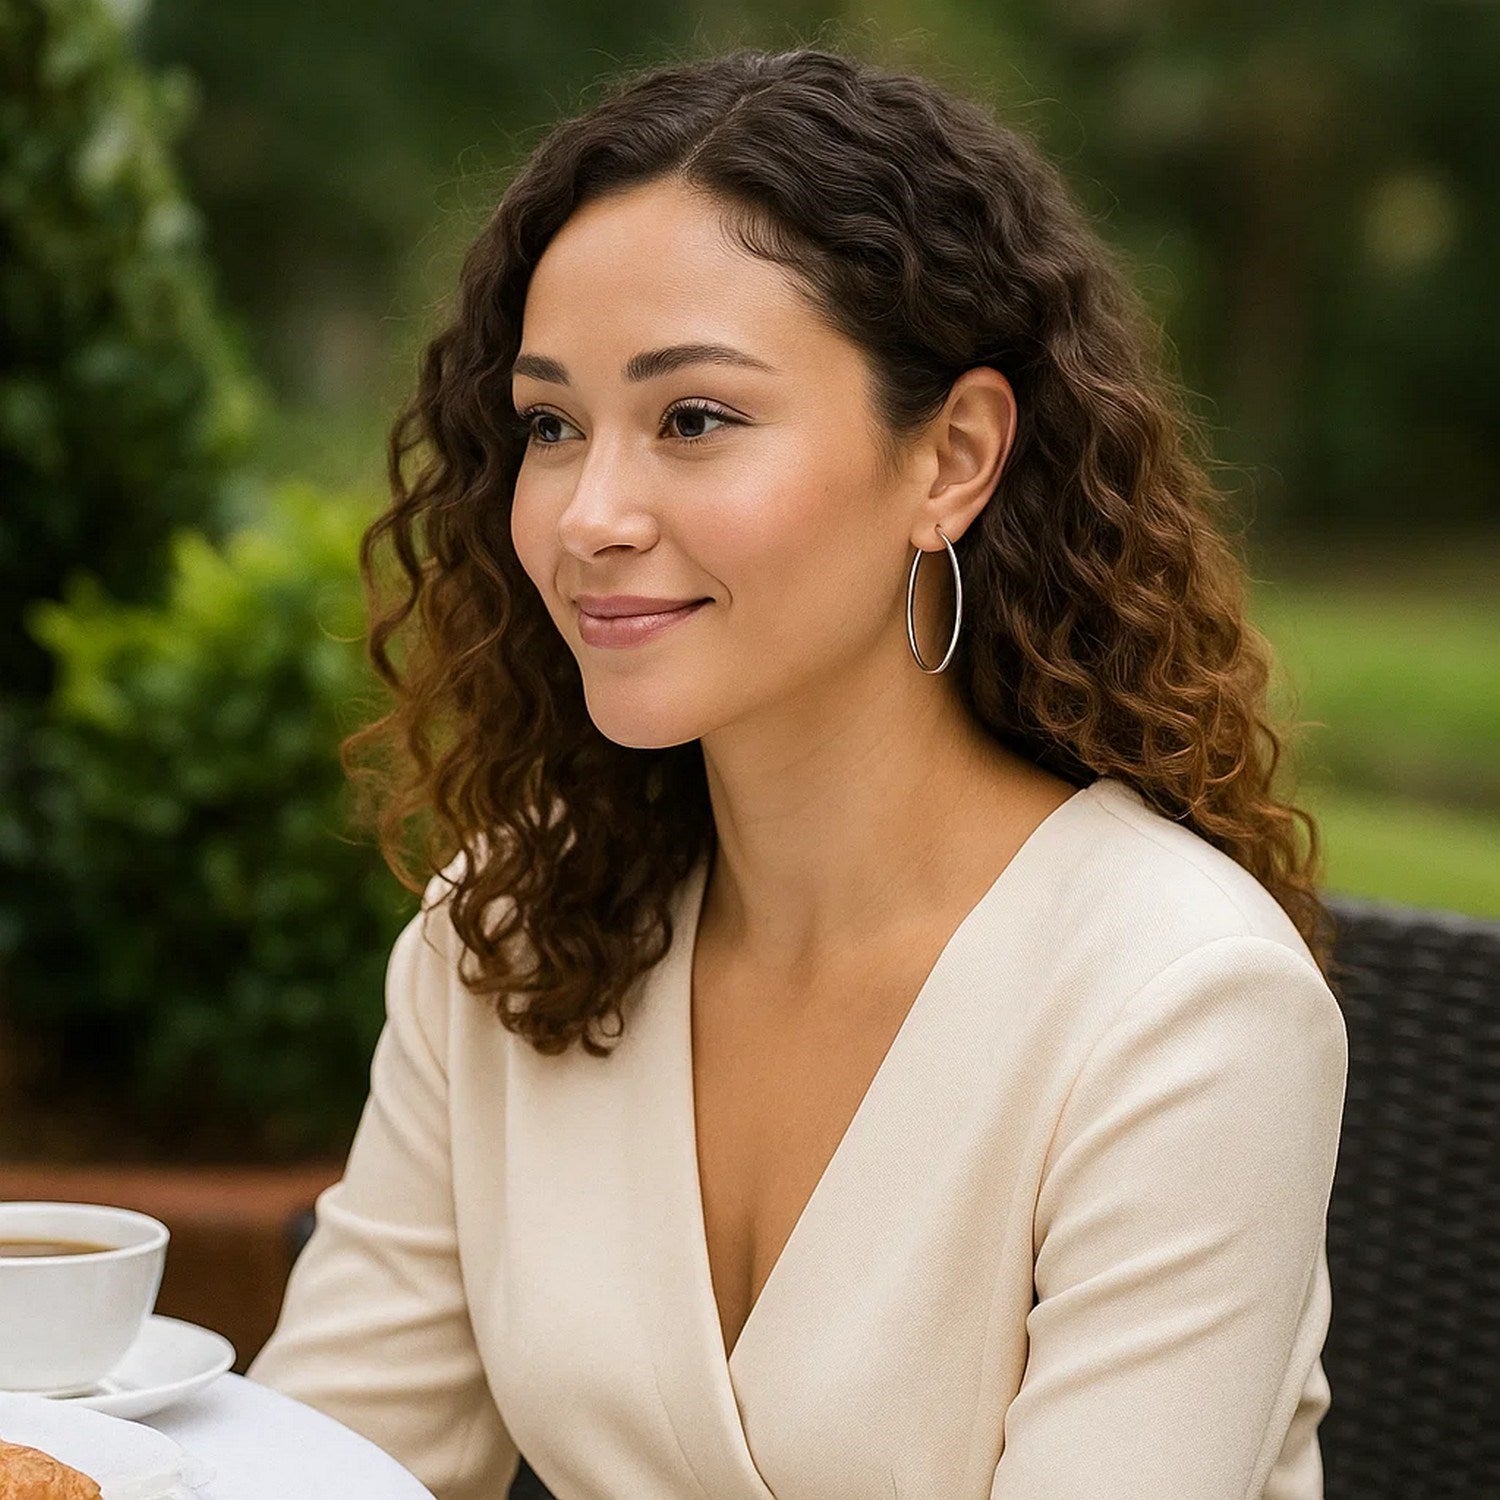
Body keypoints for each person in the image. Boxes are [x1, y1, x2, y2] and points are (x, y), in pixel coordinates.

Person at [246, 44, 1348, 1500]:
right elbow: (323, 1463)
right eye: (551, 424)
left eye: (695, 418)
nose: (590, 515)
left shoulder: (1182, 1006)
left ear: (951, 458)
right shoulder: (514, 930)